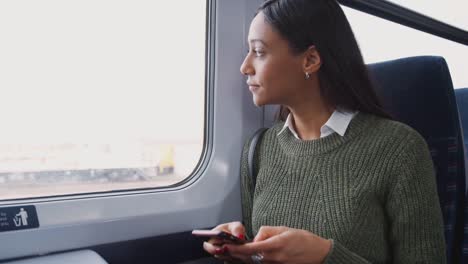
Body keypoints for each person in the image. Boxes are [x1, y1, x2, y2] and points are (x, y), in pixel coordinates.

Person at [203, 0, 446, 263]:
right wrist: (242, 251)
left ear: (310, 60)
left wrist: (325, 256)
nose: (245, 67)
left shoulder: (400, 149)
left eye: (259, 52)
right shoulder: (259, 149)